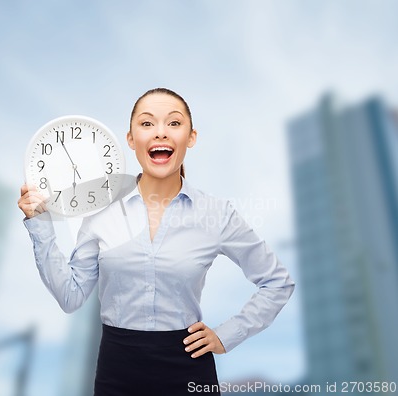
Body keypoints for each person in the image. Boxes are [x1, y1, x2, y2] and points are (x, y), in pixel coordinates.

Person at [18, 88, 295, 396]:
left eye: (174, 123)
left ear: (191, 138)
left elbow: (277, 283)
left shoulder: (216, 213)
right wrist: (40, 224)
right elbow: (71, 297)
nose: (160, 132)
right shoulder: (100, 212)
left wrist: (226, 335)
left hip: (189, 369)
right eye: (147, 123)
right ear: (130, 139)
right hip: (117, 369)